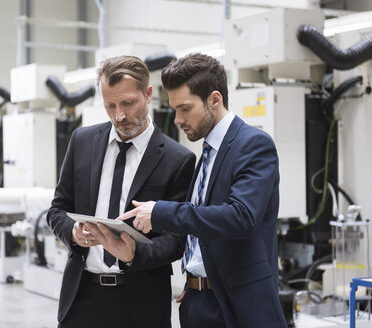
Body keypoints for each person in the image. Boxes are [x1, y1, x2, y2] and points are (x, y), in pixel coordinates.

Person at [117, 53, 287, 327]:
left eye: (185, 108)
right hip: (198, 301)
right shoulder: (206, 154)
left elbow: (241, 217)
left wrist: (162, 212)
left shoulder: (253, 145)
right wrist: (195, 281)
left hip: (239, 307)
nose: (177, 119)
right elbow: (202, 232)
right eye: (175, 109)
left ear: (214, 99)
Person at [46, 55, 196, 328]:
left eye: (128, 103)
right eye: (110, 105)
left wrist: (133, 253)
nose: (120, 115)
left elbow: (178, 239)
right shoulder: (82, 142)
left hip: (141, 304)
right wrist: (73, 233)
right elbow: (57, 209)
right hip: (82, 298)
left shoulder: (178, 159)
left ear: (148, 94)